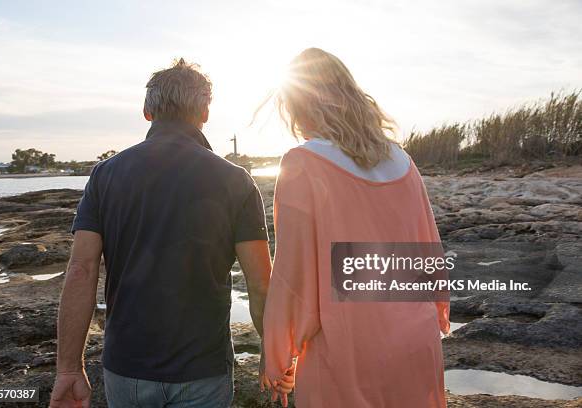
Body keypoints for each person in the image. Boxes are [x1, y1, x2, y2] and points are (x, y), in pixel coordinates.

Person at [50, 58, 283, 407]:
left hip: (126, 367)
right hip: (203, 370)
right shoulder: (235, 180)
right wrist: (273, 349)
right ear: (205, 111)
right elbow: (261, 282)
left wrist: (68, 368)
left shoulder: (105, 175)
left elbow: (81, 270)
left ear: (147, 110)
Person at [260, 48, 450, 407]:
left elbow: (293, 275)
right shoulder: (402, 160)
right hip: (417, 340)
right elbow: (428, 251)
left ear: (298, 105)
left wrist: (279, 353)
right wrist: (439, 307)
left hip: (349, 349)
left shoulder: (302, 162)